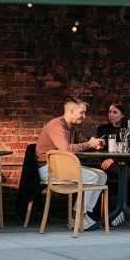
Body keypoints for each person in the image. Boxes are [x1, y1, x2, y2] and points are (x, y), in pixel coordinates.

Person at [36, 98, 108, 230]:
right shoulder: (56, 125)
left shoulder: (72, 127)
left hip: (63, 167)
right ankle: (77, 217)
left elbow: (83, 142)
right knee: (93, 177)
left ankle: (83, 215)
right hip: (49, 169)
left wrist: (94, 144)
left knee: (102, 175)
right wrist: (88, 144)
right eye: (82, 113)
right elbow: (66, 149)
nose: (84, 116)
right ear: (71, 111)